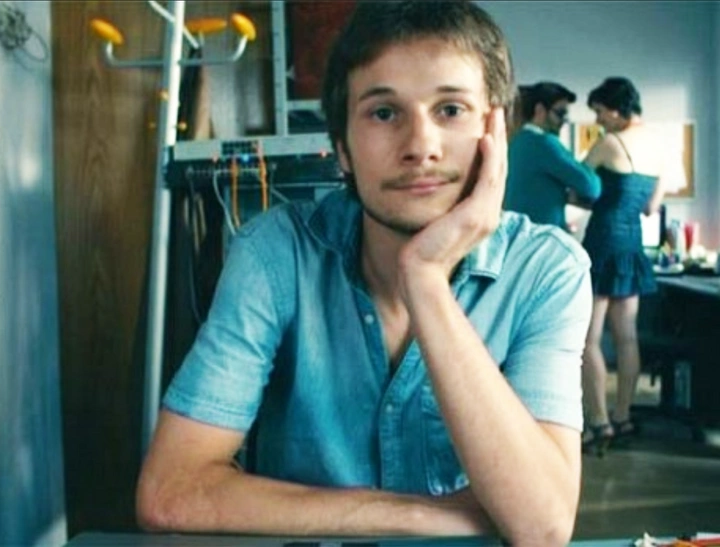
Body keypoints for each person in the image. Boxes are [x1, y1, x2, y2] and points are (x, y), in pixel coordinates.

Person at [136, 2, 593, 545]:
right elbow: (171, 492)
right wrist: (424, 516)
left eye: (450, 109)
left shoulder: (547, 271)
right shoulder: (275, 252)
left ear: (493, 129)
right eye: (383, 113)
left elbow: (542, 526)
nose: (420, 147)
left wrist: (425, 280)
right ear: (343, 150)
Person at [579, 77, 667, 452]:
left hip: (603, 242)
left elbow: (579, 185)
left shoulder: (609, 143)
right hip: (632, 245)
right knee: (627, 337)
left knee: (587, 340)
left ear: (616, 111)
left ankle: (599, 422)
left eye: (600, 112)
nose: (598, 120)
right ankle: (623, 415)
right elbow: (651, 207)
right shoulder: (659, 148)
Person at [503, 81, 601, 231]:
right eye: (560, 113)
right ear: (540, 110)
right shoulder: (544, 143)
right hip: (542, 235)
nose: (563, 121)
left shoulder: (514, 141)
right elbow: (591, 186)